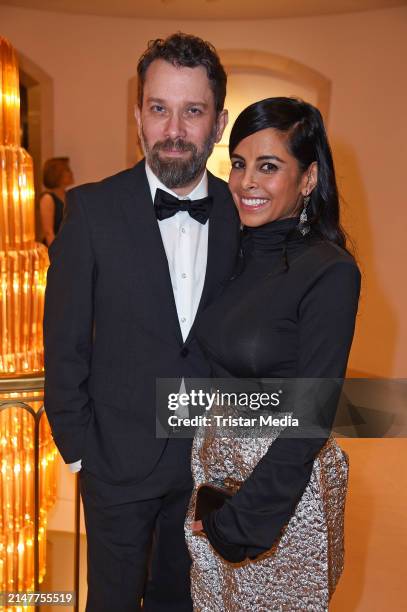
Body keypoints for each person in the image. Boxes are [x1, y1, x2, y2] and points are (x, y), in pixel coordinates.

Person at [43, 33, 240, 611]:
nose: (174, 129)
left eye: (193, 111)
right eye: (159, 108)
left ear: (218, 122)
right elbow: (65, 344)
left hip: (206, 472)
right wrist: (80, 451)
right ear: (138, 117)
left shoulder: (241, 216)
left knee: (183, 602)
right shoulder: (91, 212)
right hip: (114, 467)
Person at [187, 97, 361, 610]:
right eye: (238, 164)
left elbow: (312, 418)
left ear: (308, 179)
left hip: (280, 504)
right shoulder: (233, 255)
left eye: (269, 166)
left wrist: (245, 522)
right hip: (214, 486)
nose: (245, 182)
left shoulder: (330, 272)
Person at [39, 157, 74, 246]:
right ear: (56, 174)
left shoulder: (69, 196)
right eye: (67, 170)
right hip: (56, 248)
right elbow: (48, 233)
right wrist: (57, 255)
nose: (71, 173)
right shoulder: (48, 198)